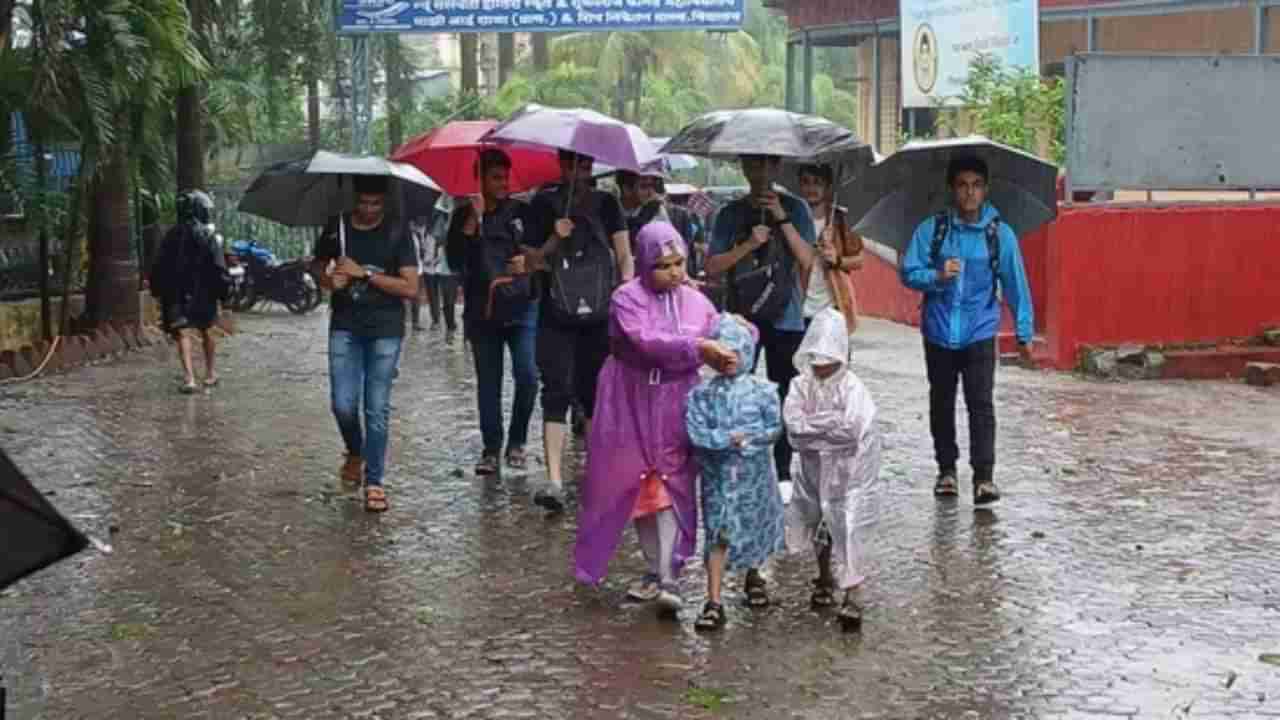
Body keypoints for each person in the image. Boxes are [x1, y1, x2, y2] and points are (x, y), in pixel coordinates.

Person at [573, 222, 730, 617]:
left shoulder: (695, 300)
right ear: (644, 264)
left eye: (679, 263)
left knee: (671, 483)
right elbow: (646, 341)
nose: (675, 272)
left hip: (677, 400)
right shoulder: (626, 299)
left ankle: (668, 572)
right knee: (638, 486)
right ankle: (655, 568)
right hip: (629, 399)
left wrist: (737, 333)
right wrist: (697, 346)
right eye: (663, 265)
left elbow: (721, 328)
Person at [899, 154, 1035, 509]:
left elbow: (1016, 284)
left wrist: (1024, 333)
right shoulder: (933, 229)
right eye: (962, 185)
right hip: (938, 330)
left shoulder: (999, 235)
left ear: (986, 189)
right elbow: (908, 271)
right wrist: (938, 276)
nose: (969, 192)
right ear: (952, 189)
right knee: (941, 402)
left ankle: (983, 477)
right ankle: (946, 470)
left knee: (981, 403)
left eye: (976, 185)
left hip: (979, 330)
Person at [523, 149, 633, 513]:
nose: (577, 171)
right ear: (560, 163)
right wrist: (555, 238)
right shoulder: (542, 204)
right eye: (570, 163)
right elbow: (531, 261)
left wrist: (627, 293)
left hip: (599, 316)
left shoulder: (607, 203)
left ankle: (598, 473)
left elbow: (624, 254)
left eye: (584, 164)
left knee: (596, 393)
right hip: (555, 313)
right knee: (554, 389)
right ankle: (554, 480)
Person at [705, 154, 816, 493]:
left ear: (778, 167)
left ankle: (783, 471)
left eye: (769, 165)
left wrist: (782, 219)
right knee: (737, 392)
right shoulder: (729, 213)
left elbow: (807, 259)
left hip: (787, 317)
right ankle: (741, 465)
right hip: (742, 320)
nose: (761, 172)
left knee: (784, 393)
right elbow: (712, 266)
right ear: (744, 167)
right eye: (754, 165)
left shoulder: (796, 208)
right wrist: (750, 244)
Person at [311, 175, 420, 513]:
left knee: (376, 408)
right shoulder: (337, 227)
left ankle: (375, 481)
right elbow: (316, 266)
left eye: (376, 203)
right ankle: (355, 451)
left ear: (384, 202)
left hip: (385, 328)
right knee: (343, 404)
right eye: (364, 202)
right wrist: (331, 279)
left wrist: (365, 275)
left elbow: (410, 288)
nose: (369, 210)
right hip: (345, 325)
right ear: (355, 200)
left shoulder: (398, 231)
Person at [784, 307, 886, 632]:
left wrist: (817, 429)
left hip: (850, 473)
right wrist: (827, 427)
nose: (821, 362)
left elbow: (852, 429)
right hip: (814, 469)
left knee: (849, 525)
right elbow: (794, 429)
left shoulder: (854, 389)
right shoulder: (800, 386)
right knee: (819, 523)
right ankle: (824, 576)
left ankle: (853, 594)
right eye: (816, 354)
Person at [686, 314, 787, 631]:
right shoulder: (701, 395)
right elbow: (696, 433)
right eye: (723, 354)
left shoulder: (764, 391)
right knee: (718, 532)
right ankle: (713, 599)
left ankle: (754, 575)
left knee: (755, 523)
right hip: (717, 477)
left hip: (754, 475)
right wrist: (724, 440)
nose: (730, 360)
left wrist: (750, 442)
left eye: (736, 353)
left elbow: (774, 428)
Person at [445, 149, 539, 477]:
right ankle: (491, 447)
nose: (502, 184)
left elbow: (540, 254)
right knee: (489, 381)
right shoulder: (461, 216)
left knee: (528, 375)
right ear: (480, 179)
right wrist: (473, 219)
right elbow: (455, 261)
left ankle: (517, 440)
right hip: (481, 312)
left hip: (522, 305)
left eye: (504, 177)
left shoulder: (522, 212)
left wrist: (528, 260)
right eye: (495, 178)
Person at [149, 190, 230, 394]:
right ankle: (210, 374)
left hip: (176, 292)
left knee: (182, 332)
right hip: (204, 292)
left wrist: (157, 290)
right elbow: (218, 267)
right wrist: (223, 293)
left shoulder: (171, 235)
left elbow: (159, 266)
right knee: (207, 330)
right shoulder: (210, 235)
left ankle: (189, 378)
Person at [796, 164, 864, 335]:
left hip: (833, 307)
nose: (811, 188)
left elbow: (859, 260)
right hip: (797, 308)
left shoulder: (840, 220)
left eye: (817, 183)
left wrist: (837, 259)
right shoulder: (792, 220)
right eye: (806, 182)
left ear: (827, 187)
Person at [423, 206, 460, 343]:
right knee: (445, 300)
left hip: (455, 268)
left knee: (451, 300)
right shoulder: (437, 225)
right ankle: (447, 326)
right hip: (440, 268)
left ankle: (455, 328)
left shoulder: (461, 223)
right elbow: (434, 241)